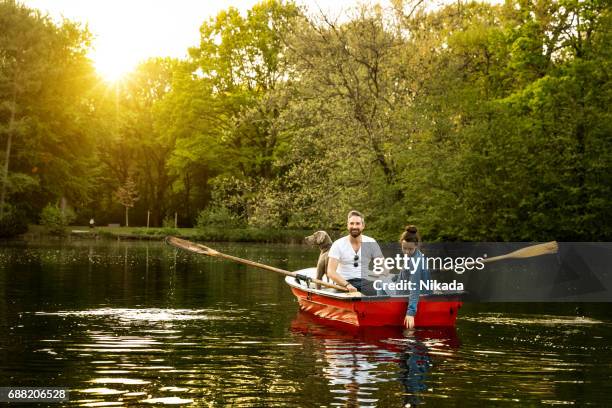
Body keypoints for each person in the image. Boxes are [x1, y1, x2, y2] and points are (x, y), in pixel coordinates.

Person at [326, 210, 385, 295]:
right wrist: (347, 285)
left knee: (382, 292)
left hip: (365, 282)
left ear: (363, 226)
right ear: (347, 225)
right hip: (343, 283)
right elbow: (331, 271)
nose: (354, 226)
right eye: (351, 223)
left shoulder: (371, 242)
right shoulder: (338, 244)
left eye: (357, 223)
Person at [396, 225, 430, 329]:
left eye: (410, 249)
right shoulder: (415, 255)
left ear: (416, 246)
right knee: (386, 279)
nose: (406, 252)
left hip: (409, 294)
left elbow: (415, 287)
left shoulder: (415, 261)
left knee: (380, 284)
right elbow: (405, 275)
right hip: (404, 289)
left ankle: (383, 315)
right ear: (401, 243)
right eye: (404, 248)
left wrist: (411, 312)